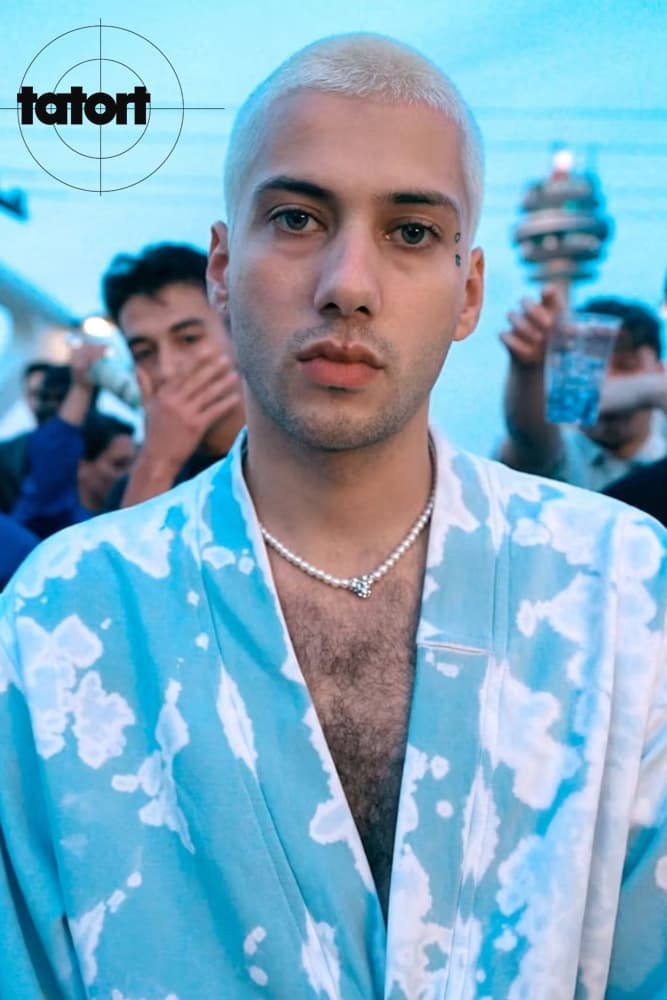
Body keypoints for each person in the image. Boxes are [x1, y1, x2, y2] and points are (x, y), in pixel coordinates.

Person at [0, 33, 665, 1000]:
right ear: (222, 268)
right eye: (297, 218)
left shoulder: (622, 589)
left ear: (468, 292)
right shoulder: (62, 618)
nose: (348, 285)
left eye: (411, 232)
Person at [101, 242, 245, 507]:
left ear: (238, 331)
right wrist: (157, 464)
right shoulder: (134, 488)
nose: (166, 369)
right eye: (144, 352)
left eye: (189, 339)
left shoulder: (303, 450)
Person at [498, 290, 667, 490]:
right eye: (590, 367)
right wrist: (529, 367)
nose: (605, 379)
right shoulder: (563, 451)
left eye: (626, 366)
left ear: (660, 370)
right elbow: (529, 441)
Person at [0, 362, 72, 513]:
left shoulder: (98, 444)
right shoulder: (7, 454)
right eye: (38, 394)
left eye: (57, 396)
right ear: (26, 398)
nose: (48, 404)